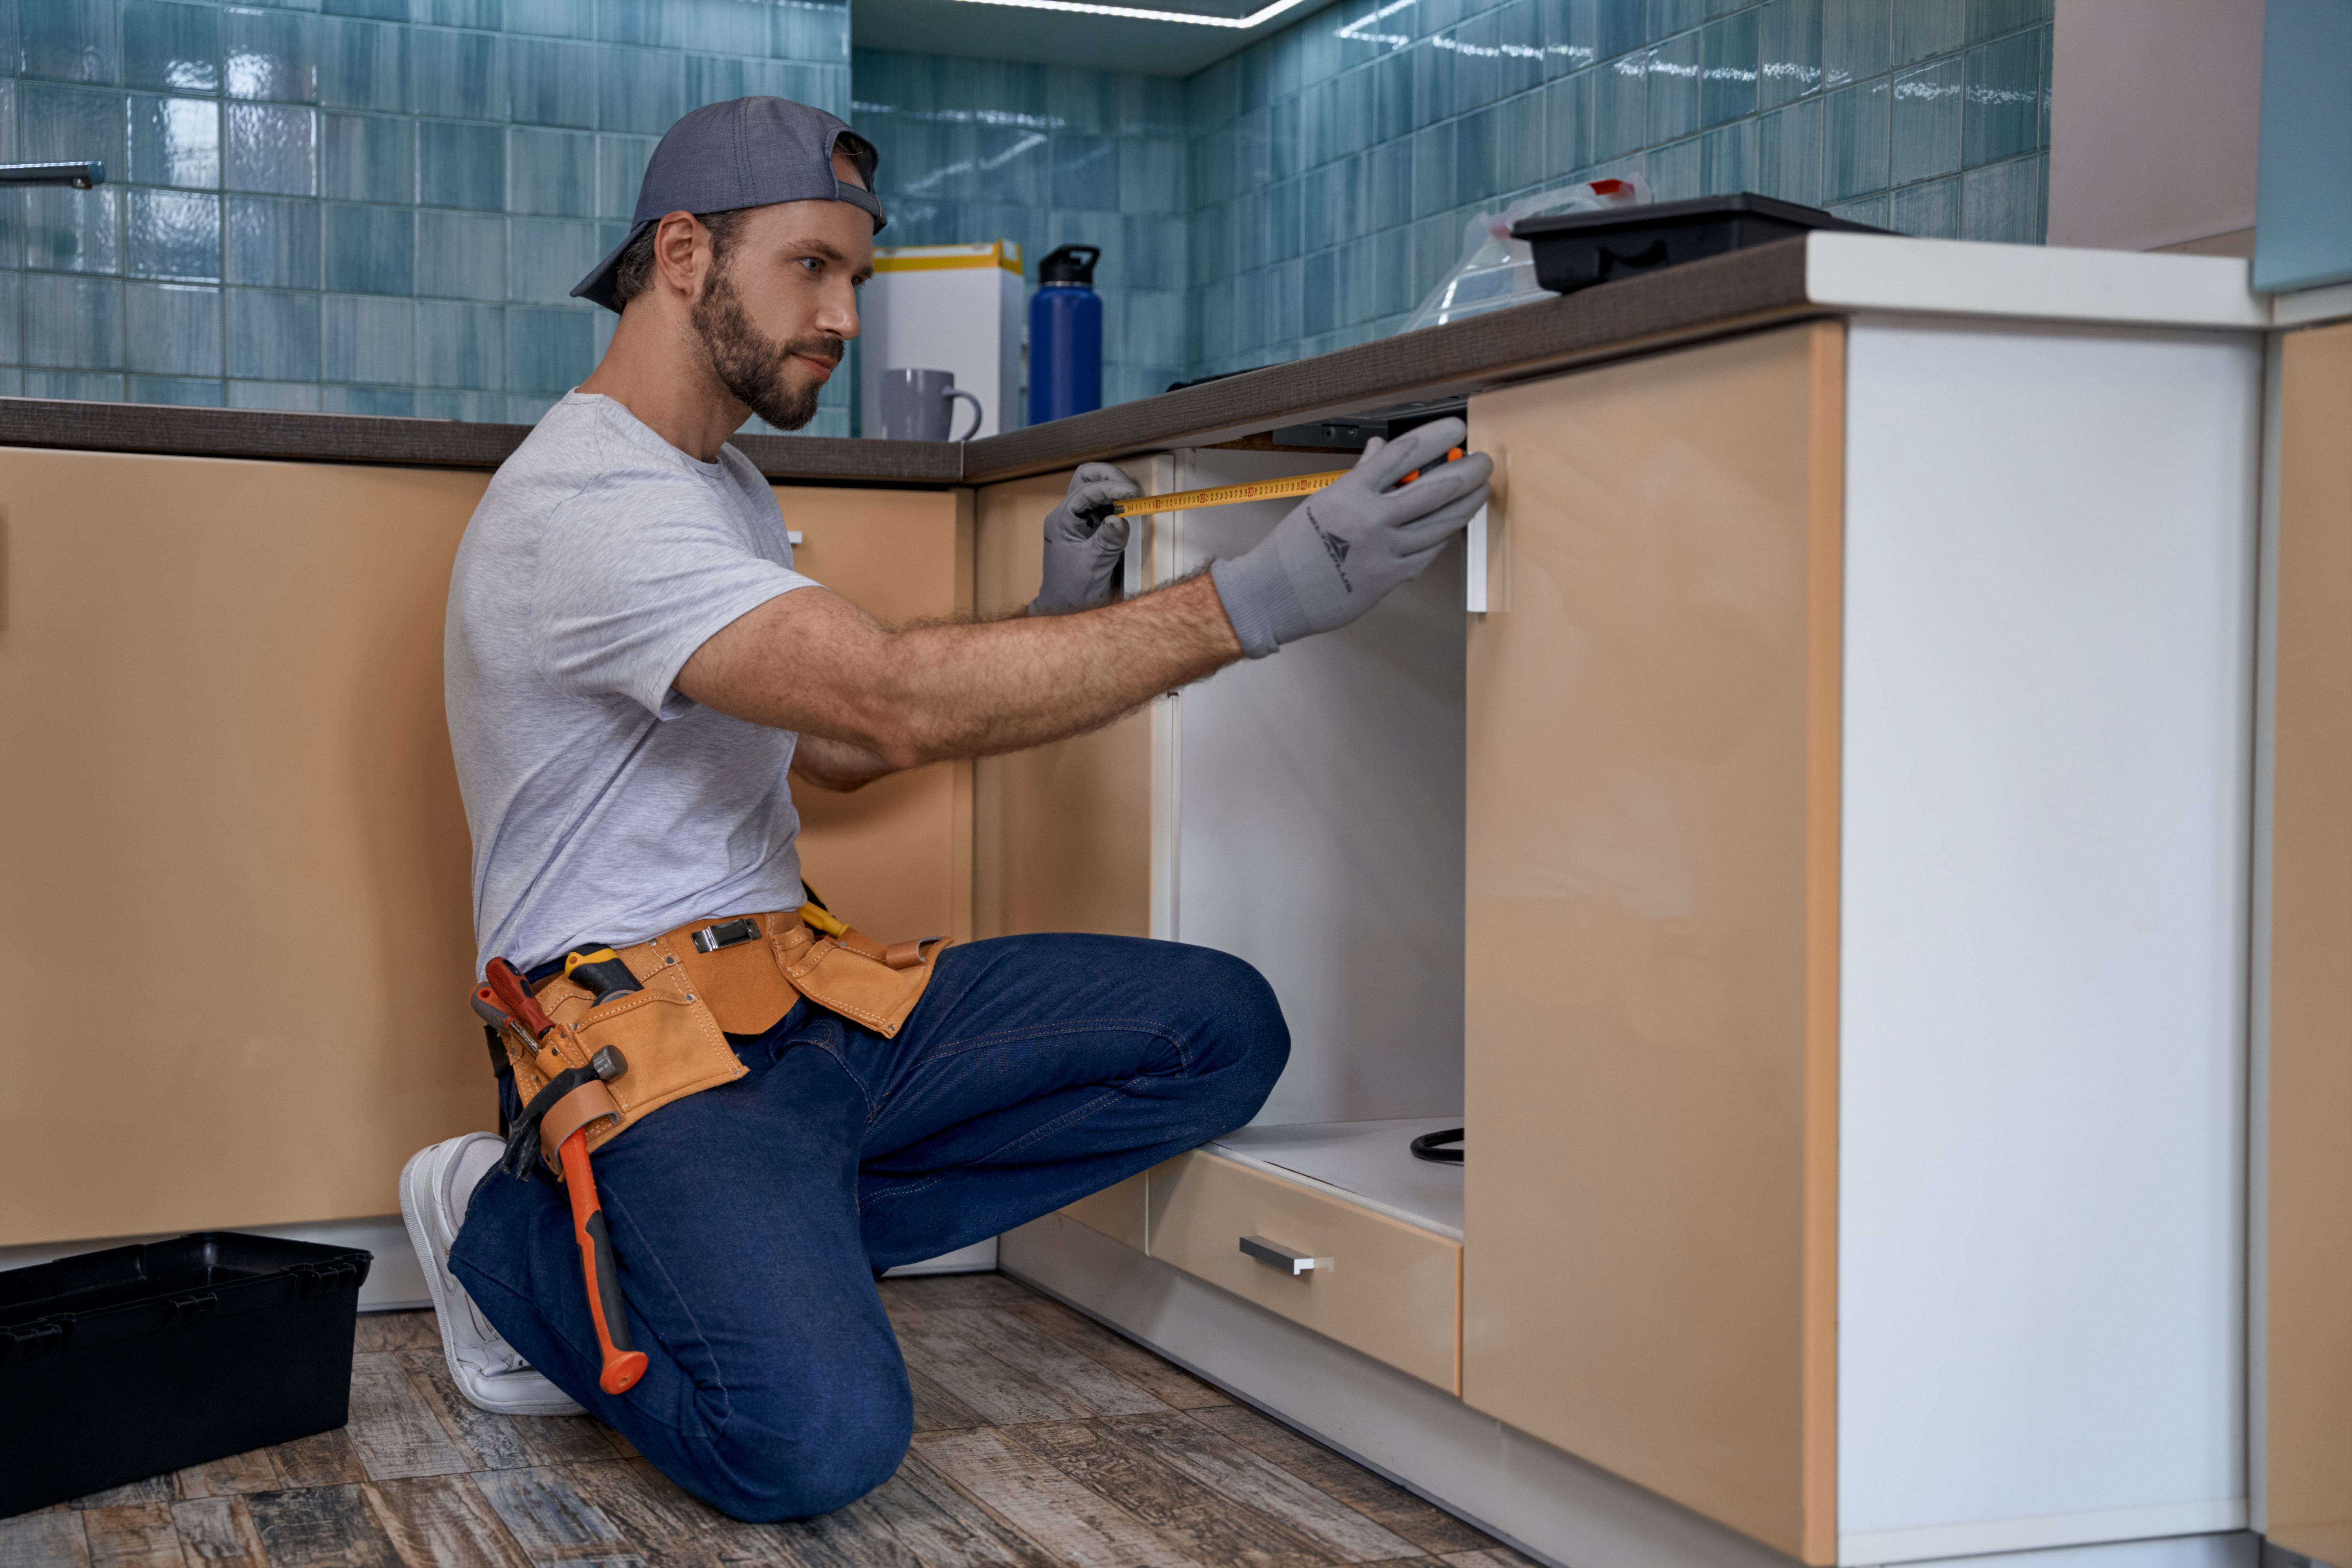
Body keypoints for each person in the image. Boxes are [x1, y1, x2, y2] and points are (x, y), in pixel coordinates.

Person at [399, 95, 1492, 1521]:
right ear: (683, 255)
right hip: (637, 1046)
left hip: (799, 1002)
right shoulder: (592, 505)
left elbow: (834, 757)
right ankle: (503, 1230)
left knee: (1218, 1030)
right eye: (813, 267)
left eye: (855, 273)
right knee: (813, 1444)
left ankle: (732, 1244)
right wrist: (1251, 601)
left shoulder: (717, 480)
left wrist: (1048, 620)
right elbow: (882, 702)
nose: (846, 316)